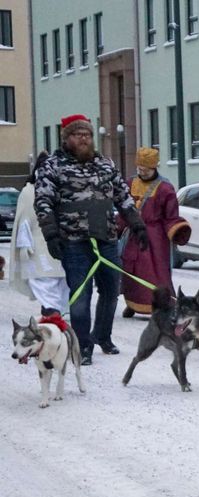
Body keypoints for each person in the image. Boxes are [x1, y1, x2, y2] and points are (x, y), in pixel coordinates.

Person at [34, 114, 149, 365]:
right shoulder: (52, 166)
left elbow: (123, 197)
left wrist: (138, 226)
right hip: (73, 241)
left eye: (87, 135)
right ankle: (82, 345)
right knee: (80, 295)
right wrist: (51, 234)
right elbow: (43, 202)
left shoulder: (105, 164)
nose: (84, 139)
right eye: (78, 135)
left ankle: (102, 336)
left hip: (106, 237)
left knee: (111, 290)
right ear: (67, 139)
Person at [120, 147, 191, 316]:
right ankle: (133, 303)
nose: (142, 173)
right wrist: (116, 227)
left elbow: (171, 215)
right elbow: (124, 210)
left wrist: (178, 229)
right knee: (132, 271)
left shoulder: (165, 188)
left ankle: (161, 304)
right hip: (133, 236)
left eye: (145, 169)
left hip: (156, 238)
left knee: (156, 273)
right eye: (139, 169)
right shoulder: (130, 183)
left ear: (154, 168)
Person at [9, 152, 69, 316]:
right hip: (38, 247)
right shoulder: (29, 192)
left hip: (63, 245)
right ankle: (52, 311)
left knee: (62, 281)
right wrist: (24, 244)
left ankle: (58, 312)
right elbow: (24, 222)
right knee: (44, 281)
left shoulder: (63, 190)